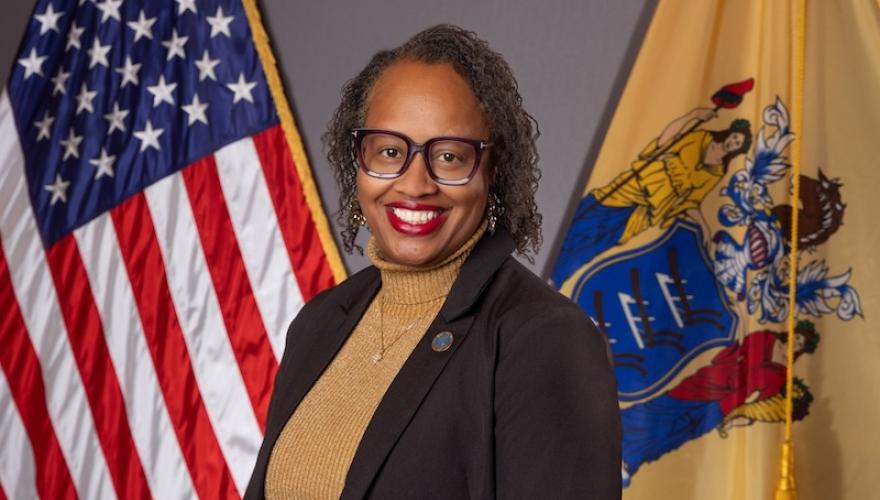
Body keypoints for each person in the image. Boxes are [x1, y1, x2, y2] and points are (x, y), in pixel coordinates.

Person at [244, 24, 620, 499]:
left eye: (448, 156)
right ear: (357, 161)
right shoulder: (319, 324)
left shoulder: (543, 339)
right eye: (388, 151)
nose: (415, 183)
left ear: (492, 169)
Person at [551, 108, 752, 287]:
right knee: (585, 221)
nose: (733, 142)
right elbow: (665, 142)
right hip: (637, 185)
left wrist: (705, 228)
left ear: (738, 150)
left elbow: (692, 201)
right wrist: (692, 116)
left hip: (649, 210)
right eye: (735, 137)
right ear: (730, 133)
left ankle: (556, 280)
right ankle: (548, 268)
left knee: (599, 242)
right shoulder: (700, 136)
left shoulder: (717, 172)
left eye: (738, 144)